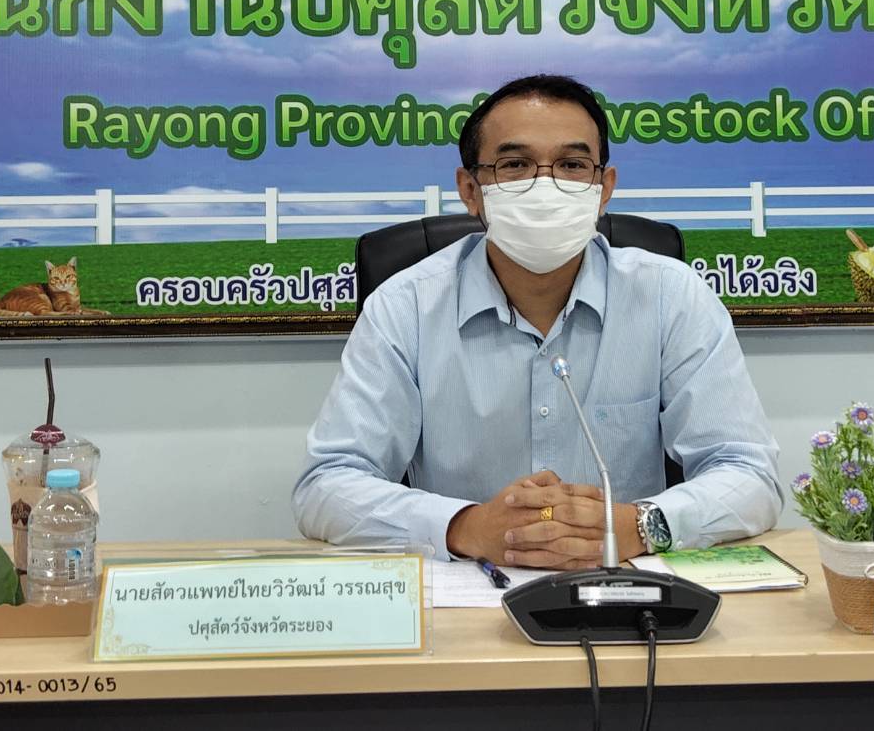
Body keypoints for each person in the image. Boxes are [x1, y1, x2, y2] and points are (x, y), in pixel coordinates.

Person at [292, 74, 781, 569]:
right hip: (469, 593)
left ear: (604, 189)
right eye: (515, 165)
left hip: (624, 589)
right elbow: (326, 486)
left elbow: (749, 473)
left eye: (572, 165)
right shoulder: (405, 306)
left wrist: (639, 525)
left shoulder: (669, 296)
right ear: (470, 190)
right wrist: (466, 527)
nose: (545, 186)